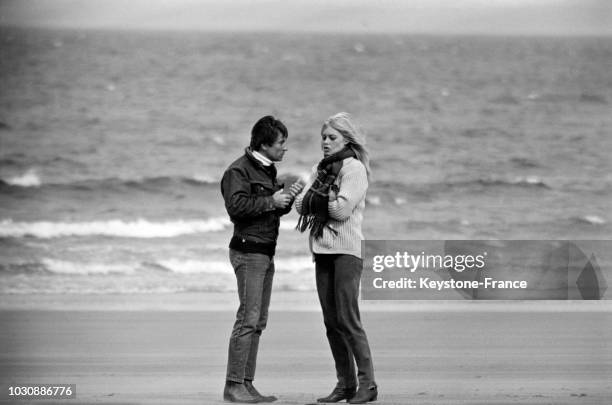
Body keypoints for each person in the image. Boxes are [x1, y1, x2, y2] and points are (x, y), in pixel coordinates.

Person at [295, 112, 378, 404]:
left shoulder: (354, 169)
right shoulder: (320, 168)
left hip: (347, 252)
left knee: (348, 319)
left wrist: (319, 200)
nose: (325, 143)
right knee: (331, 322)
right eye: (323, 138)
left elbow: (342, 211)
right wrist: (326, 198)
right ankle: (345, 384)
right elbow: (299, 205)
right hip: (322, 250)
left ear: (346, 139)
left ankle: (368, 385)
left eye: (332, 138)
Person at [221, 116, 303, 403]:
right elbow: (236, 207)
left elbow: (269, 211)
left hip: (265, 251)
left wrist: (286, 200)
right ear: (265, 144)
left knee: (258, 320)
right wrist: (271, 201)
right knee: (248, 318)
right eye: (281, 143)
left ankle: (246, 382)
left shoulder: (267, 169)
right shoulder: (237, 171)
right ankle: (233, 386)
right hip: (247, 251)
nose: (284, 149)